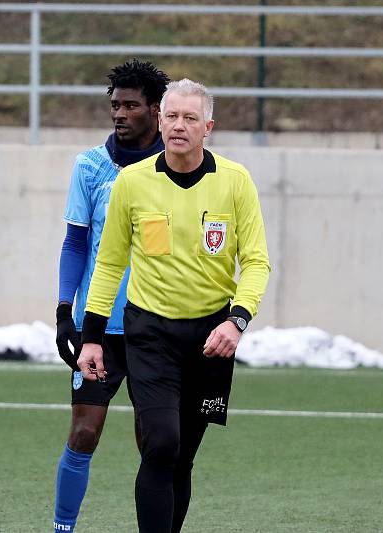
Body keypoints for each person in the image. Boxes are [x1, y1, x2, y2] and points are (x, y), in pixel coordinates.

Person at [77, 78, 270, 533]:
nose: (179, 126)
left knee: (181, 457)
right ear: (160, 121)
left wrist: (236, 321)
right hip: (150, 334)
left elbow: (257, 263)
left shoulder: (236, 181)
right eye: (171, 116)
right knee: (161, 442)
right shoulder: (132, 182)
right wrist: (91, 338)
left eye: (190, 118)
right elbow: (108, 264)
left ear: (208, 127)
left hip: (211, 340)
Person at [52, 58, 170, 533]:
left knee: (155, 442)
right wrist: (65, 311)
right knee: (83, 432)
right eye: (115, 105)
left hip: (155, 327)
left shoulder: (173, 168)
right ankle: (62, 528)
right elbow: (75, 241)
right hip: (98, 327)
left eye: (130, 106)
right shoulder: (90, 165)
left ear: (156, 111)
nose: (119, 114)